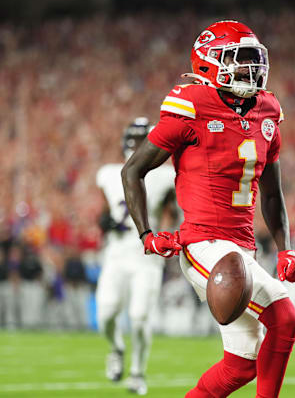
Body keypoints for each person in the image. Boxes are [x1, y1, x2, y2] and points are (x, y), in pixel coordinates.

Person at [121, 20, 295, 398]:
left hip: (242, 246)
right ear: (208, 62)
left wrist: (286, 248)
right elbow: (133, 170)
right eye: (239, 60)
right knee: (285, 318)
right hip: (205, 243)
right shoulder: (193, 103)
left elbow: (272, 194)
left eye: (254, 60)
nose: (250, 70)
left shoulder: (267, 111)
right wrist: (147, 235)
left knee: (240, 367)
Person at [95, 117, 176, 395]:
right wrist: (103, 221)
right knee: (105, 313)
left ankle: (138, 372)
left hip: (146, 257)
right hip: (116, 255)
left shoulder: (165, 176)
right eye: (133, 140)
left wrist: (169, 235)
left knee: (140, 316)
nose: (136, 146)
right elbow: (105, 211)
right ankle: (116, 348)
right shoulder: (108, 173)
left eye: (142, 140)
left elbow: (173, 213)